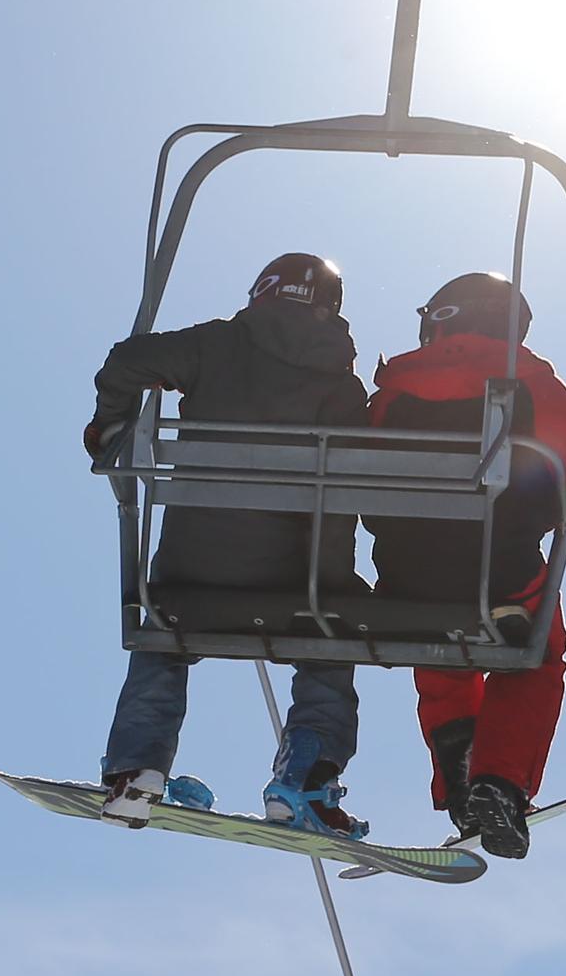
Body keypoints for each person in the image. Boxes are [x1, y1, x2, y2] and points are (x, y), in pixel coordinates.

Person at [84, 251, 378, 837]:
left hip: (194, 574)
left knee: (162, 637)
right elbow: (347, 491)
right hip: (298, 583)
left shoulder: (214, 345)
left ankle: (136, 768)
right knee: (329, 639)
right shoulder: (343, 388)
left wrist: (107, 426)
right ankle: (306, 779)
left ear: (263, 290)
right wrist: (335, 584)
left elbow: (126, 362)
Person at [365, 271, 566, 858]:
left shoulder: (392, 390)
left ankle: (458, 778)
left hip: (407, 579)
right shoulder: (527, 380)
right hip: (500, 572)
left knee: (440, 647)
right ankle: (498, 783)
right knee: (536, 653)